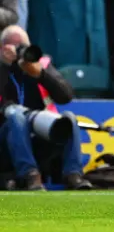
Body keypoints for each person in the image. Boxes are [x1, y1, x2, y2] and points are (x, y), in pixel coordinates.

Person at [0, 25, 91, 191]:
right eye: (13, 45)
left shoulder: (40, 65)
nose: (18, 50)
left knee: (69, 117)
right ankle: (30, 175)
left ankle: (73, 175)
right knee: (16, 114)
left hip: (40, 131)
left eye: (23, 46)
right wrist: (4, 66)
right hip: (6, 136)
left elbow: (66, 96)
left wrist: (41, 75)